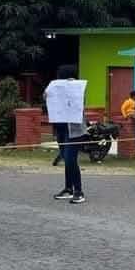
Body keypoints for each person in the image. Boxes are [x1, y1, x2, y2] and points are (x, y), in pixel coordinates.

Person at [45, 64, 87, 204]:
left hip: (74, 130)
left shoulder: (78, 89)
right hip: (61, 128)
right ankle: (68, 189)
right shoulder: (56, 88)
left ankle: (79, 191)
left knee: (70, 159)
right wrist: (47, 95)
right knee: (65, 158)